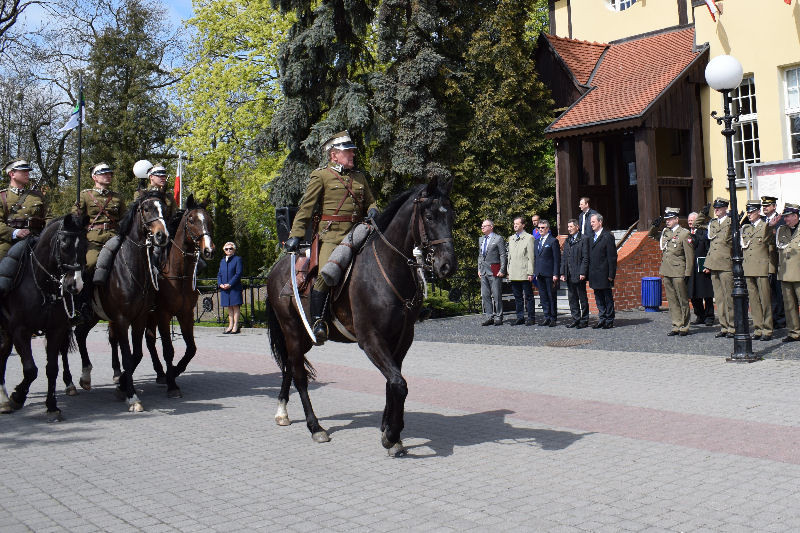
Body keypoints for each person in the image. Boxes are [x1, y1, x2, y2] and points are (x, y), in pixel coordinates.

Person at [284, 131, 378, 344]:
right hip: (332, 236)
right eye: (348, 151)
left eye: (352, 151)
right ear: (334, 155)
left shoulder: (359, 177)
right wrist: (295, 235)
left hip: (359, 233)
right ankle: (319, 321)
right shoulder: (321, 176)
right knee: (326, 273)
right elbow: (306, 208)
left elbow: (371, 201)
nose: (352, 154)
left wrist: (373, 209)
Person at [72, 163, 126, 276]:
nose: (108, 176)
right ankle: (86, 287)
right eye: (104, 174)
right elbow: (75, 217)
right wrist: (77, 214)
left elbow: (124, 218)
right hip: (94, 239)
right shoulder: (85, 195)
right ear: (95, 177)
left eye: (109, 174)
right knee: (90, 264)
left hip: (114, 236)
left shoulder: (117, 197)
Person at [648, 208, 693, 336]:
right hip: (667, 270)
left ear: (676, 219)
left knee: (682, 299)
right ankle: (676, 324)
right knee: (672, 300)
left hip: (678, 271)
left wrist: (688, 273)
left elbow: (689, 255)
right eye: (666, 220)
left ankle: (684, 326)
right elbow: (651, 235)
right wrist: (654, 226)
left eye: (670, 219)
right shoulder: (665, 232)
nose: (667, 221)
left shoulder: (684, 234)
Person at [0, 159, 47, 260]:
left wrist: (46, 235)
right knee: (4, 265)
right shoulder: (2, 197)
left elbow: (49, 218)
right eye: (23, 171)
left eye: (28, 171)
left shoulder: (37, 196)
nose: (27, 174)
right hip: (9, 242)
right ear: (12, 174)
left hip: (36, 240)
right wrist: (15, 232)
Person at [741, 199, 775, 341]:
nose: (749, 214)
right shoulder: (746, 228)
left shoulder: (765, 226)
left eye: (752, 212)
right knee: (754, 301)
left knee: (765, 300)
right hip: (749, 268)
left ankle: (767, 329)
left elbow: (771, 249)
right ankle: (758, 328)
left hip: (762, 268)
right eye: (748, 212)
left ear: (758, 212)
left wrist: (771, 269)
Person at [703, 197, 734, 338]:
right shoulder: (713, 223)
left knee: (729, 298)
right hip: (713, 263)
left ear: (725, 208)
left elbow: (730, 240)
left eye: (719, 208)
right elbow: (698, 225)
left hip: (725, 264)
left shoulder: (730, 222)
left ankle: (732, 326)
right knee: (719, 298)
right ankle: (724, 326)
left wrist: (734, 220)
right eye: (715, 208)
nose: (716, 210)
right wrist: (702, 214)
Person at [776, 203, 800, 343]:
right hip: (785, 273)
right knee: (789, 305)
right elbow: (768, 242)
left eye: (788, 216)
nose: (785, 219)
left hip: (798, 273)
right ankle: (794, 332)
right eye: (784, 217)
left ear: (796, 216)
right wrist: (771, 227)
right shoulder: (782, 230)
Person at [588, 213, 617, 328]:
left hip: (604, 273)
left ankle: (609, 319)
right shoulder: (591, 237)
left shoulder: (607, 236)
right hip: (594, 273)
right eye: (590, 222)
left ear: (600, 222)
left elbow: (612, 257)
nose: (591, 224)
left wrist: (611, 274)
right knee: (598, 297)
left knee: (607, 297)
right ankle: (602, 318)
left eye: (593, 222)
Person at [560, 218, 590, 328]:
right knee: (572, 298)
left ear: (577, 227)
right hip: (569, 274)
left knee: (582, 298)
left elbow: (585, 257)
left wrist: (583, 272)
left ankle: (584, 319)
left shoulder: (584, 239)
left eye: (571, 226)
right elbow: (564, 258)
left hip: (579, 273)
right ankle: (576, 319)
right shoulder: (568, 240)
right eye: (568, 227)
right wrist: (563, 273)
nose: (569, 229)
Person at [506, 216, 536, 326]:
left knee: (528, 296)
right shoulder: (511, 238)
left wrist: (530, 272)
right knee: (517, 296)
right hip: (514, 272)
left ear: (523, 225)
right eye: (514, 223)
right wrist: (508, 270)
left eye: (517, 224)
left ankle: (531, 317)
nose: (515, 225)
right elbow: (509, 256)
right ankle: (520, 317)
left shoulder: (529, 238)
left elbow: (531, 257)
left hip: (524, 272)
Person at [762, 195, 786, 329]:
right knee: (767, 292)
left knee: (777, 291)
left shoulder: (781, 220)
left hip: (776, 261)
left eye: (767, 206)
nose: (765, 208)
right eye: (763, 206)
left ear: (774, 206)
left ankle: (780, 319)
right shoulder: (761, 220)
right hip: (762, 261)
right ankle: (769, 317)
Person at [687, 211, 715, 326]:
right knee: (693, 293)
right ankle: (700, 315)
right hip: (690, 268)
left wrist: (709, 265)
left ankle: (709, 316)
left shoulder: (704, 232)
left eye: (692, 220)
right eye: (689, 220)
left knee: (707, 293)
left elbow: (709, 249)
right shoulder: (686, 233)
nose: (690, 222)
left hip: (702, 266)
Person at [478, 219, 507, 326]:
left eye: (485, 226)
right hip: (483, 271)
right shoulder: (481, 239)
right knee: (485, 295)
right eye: (482, 226)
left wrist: (502, 269)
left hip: (494, 269)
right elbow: (480, 255)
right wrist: (479, 268)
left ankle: (499, 316)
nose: (482, 228)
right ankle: (489, 316)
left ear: (491, 227)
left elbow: (502, 255)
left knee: (496, 295)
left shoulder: (498, 238)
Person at [534, 219, 560, 326]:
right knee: (543, 296)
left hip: (549, 273)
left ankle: (553, 318)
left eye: (543, 228)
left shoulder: (553, 241)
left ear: (547, 229)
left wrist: (555, 273)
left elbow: (556, 259)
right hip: (540, 273)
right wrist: (536, 272)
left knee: (551, 296)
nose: (540, 229)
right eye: (539, 228)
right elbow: (536, 258)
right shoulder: (536, 242)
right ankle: (546, 316)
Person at [218, 241, 243, 334]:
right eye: (226, 249)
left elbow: (238, 273)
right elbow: (219, 274)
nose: (228, 250)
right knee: (229, 307)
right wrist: (220, 284)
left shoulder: (237, 259)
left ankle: (235, 326)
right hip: (224, 288)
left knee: (235, 306)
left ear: (234, 250)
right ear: (224, 250)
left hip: (234, 287)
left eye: (230, 248)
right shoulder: (222, 261)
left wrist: (230, 284)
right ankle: (230, 325)